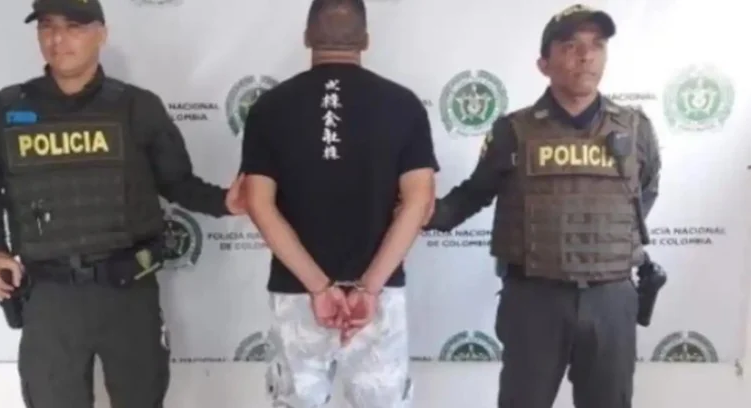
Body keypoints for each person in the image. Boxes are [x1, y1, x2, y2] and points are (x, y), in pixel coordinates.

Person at [0, 1, 245, 407]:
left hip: (128, 291)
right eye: (47, 26)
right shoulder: (6, 109)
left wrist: (224, 202)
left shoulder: (137, 107)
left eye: (73, 26)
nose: (57, 38)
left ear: (101, 34)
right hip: (49, 295)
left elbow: (176, 182)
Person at [425, 4, 661, 408]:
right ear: (543, 64)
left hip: (611, 299)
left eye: (597, 45)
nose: (586, 56)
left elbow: (645, 192)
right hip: (535, 299)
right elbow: (475, 193)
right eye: (570, 46)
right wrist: (423, 213)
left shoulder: (636, 129)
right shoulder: (513, 130)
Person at [240, 0, 437, 406]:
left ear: (307, 37)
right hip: (377, 297)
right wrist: (368, 288)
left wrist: (319, 287)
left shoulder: (269, 107)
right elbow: (419, 202)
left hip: (298, 293)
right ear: (365, 40)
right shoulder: (403, 105)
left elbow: (258, 204)